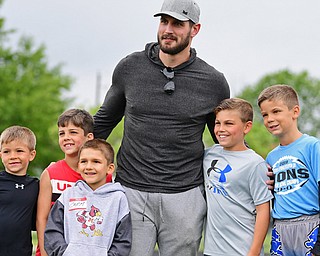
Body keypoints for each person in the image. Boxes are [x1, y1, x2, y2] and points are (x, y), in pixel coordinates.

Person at [93, 0, 230, 255]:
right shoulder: (129, 68)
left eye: (178, 24)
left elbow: (226, 140)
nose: (168, 29)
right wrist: (69, 153)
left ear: (195, 29)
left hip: (185, 194)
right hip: (131, 190)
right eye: (164, 21)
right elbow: (103, 122)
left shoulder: (213, 82)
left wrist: (255, 169)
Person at [36, 109, 112, 256]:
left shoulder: (103, 178)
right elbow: (42, 218)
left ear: (89, 137)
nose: (66, 137)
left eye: (73, 132)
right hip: (52, 251)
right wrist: (45, 253)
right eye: (61, 133)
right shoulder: (50, 174)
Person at [202, 98, 273, 255]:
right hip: (212, 251)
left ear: (247, 127)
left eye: (229, 123)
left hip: (242, 251)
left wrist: (253, 252)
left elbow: (263, 211)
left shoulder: (254, 164)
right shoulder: (209, 155)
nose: (221, 129)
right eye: (218, 123)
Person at [257, 84, 320, 256]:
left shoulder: (313, 147)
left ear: (295, 112)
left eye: (276, 111)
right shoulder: (270, 157)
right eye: (265, 114)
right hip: (281, 228)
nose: (269, 119)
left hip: (310, 225)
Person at [44, 139, 132, 255]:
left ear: (109, 168)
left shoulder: (118, 198)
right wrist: (64, 253)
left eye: (96, 161)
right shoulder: (68, 195)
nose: (89, 166)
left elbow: (123, 240)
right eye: (84, 161)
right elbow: (52, 231)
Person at [0, 125, 39, 256]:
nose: (12, 156)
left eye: (19, 151)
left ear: (31, 154)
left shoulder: (36, 185)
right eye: (6, 152)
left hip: (22, 251)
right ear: (1, 155)